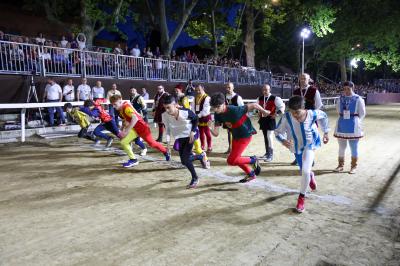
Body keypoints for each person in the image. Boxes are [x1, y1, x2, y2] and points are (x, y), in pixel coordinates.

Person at [275, 96, 330, 213]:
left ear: (303, 108)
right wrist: (283, 140)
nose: (295, 115)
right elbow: (277, 132)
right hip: (296, 147)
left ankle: (301, 198)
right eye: (292, 112)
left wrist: (326, 132)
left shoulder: (312, 114)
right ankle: (311, 175)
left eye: (297, 112)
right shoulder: (286, 117)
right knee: (304, 170)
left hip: (309, 146)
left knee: (304, 171)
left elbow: (324, 116)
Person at [208, 93, 267, 183]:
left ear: (224, 103)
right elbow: (216, 134)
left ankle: (253, 160)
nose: (215, 110)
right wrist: (209, 128)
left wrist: (264, 111)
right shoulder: (217, 114)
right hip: (235, 136)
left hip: (245, 135)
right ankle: (251, 174)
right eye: (214, 107)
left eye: (217, 107)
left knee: (231, 160)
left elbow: (254, 105)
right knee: (235, 159)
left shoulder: (234, 109)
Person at [110, 94, 170, 167]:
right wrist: (122, 129)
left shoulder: (126, 108)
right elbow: (126, 120)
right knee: (124, 142)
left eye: (115, 104)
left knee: (152, 143)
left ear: (120, 102)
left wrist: (126, 131)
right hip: (135, 129)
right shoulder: (122, 108)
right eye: (113, 105)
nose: (113, 106)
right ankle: (133, 160)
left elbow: (134, 118)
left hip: (143, 128)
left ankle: (165, 151)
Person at [162, 95, 208, 188]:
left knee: (186, 160)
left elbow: (195, 119)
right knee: (184, 161)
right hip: (180, 137)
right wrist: (167, 144)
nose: (167, 110)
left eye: (168, 107)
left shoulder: (185, 112)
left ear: (175, 105)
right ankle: (200, 156)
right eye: (165, 108)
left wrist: (193, 131)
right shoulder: (164, 115)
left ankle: (195, 178)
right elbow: (167, 130)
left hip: (191, 135)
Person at [290, 73, 323, 166]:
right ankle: (298, 157)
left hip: (309, 119)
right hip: (297, 119)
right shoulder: (296, 91)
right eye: (301, 78)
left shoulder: (314, 91)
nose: (302, 80)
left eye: (304, 78)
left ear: (309, 80)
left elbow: (319, 105)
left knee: (309, 140)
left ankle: (310, 159)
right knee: (297, 139)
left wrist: (313, 116)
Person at [333, 81, 366, 174]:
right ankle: (340, 165)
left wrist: (356, 121)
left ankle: (353, 166)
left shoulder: (358, 99)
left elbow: (362, 113)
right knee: (341, 147)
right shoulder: (340, 98)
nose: (346, 91)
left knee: (353, 147)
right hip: (342, 124)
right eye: (345, 89)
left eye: (348, 89)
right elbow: (338, 110)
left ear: (353, 88)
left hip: (353, 125)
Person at [175, 85, 210, 168]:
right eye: (196, 90)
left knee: (198, 147)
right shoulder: (191, 99)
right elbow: (192, 110)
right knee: (178, 147)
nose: (197, 92)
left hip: (191, 126)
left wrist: (194, 117)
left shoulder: (185, 99)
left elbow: (188, 111)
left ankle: (204, 159)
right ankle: (192, 155)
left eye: (177, 91)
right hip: (184, 127)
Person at [257, 84, 285, 162]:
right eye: (264, 89)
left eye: (266, 89)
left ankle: (271, 155)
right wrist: (258, 112)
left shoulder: (275, 98)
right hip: (263, 119)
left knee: (269, 136)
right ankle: (267, 153)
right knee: (265, 136)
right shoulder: (259, 98)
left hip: (270, 119)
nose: (265, 91)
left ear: (270, 90)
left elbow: (282, 107)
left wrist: (276, 114)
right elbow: (256, 107)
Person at [225, 82, 244, 154]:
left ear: (233, 88)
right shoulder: (225, 96)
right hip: (227, 119)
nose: (228, 89)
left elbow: (242, 108)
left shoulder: (238, 97)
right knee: (229, 133)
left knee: (236, 134)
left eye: (229, 87)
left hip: (236, 119)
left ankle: (236, 149)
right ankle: (230, 148)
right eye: (227, 87)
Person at [192, 84, 212, 152]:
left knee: (207, 132)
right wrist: (194, 114)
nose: (198, 91)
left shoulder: (207, 98)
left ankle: (209, 146)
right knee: (200, 133)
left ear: (203, 89)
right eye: (196, 90)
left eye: (199, 90)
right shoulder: (195, 98)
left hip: (206, 117)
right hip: (198, 118)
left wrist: (198, 115)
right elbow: (192, 108)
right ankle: (202, 145)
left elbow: (206, 110)